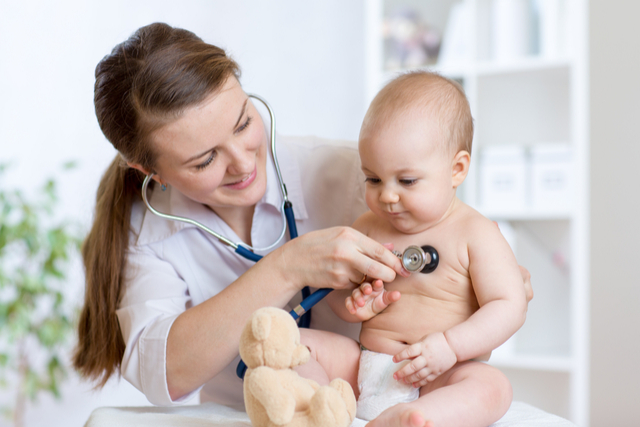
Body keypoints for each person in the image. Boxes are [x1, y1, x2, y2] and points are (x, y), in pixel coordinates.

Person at [72, 22, 532, 416]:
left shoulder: (360, 175)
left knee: (488, 386)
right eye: (205, 159)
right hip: (267, 408)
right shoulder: (148, 232)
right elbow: (163, 373)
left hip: (407, 374)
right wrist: (288, 267)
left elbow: (455, 256)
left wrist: (478, 294)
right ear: (149, 171)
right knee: (294, 351)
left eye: (243, 123)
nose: (242, 163)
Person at [318, 71, 528, 427]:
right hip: (366, 365)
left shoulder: (476, 233)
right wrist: (352, 305)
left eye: (407, 181)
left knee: (493, 387)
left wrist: (451, 346)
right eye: (373, 179)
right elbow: (335, 292)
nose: (387, 195)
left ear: (456, 169)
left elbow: (509, 305)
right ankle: (315, 408)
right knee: (300, 345)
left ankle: (416, 418)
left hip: (439, 375)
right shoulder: (367, 227)